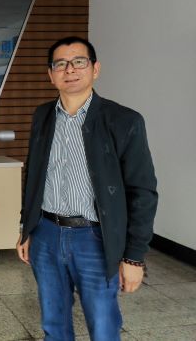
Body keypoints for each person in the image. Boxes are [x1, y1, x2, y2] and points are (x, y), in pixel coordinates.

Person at [16, 36, 158, 341]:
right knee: (53, 323)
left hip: (95, 238)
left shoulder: (124, 120)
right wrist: (26, 228)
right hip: (46, 234)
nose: (70, 70)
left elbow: (142, 192)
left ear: (95, 69)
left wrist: (134, 257)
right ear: (51, 74)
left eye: (79, 61)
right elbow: (34, 176)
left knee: (103, 326)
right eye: (60, 64)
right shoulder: (42, 116)